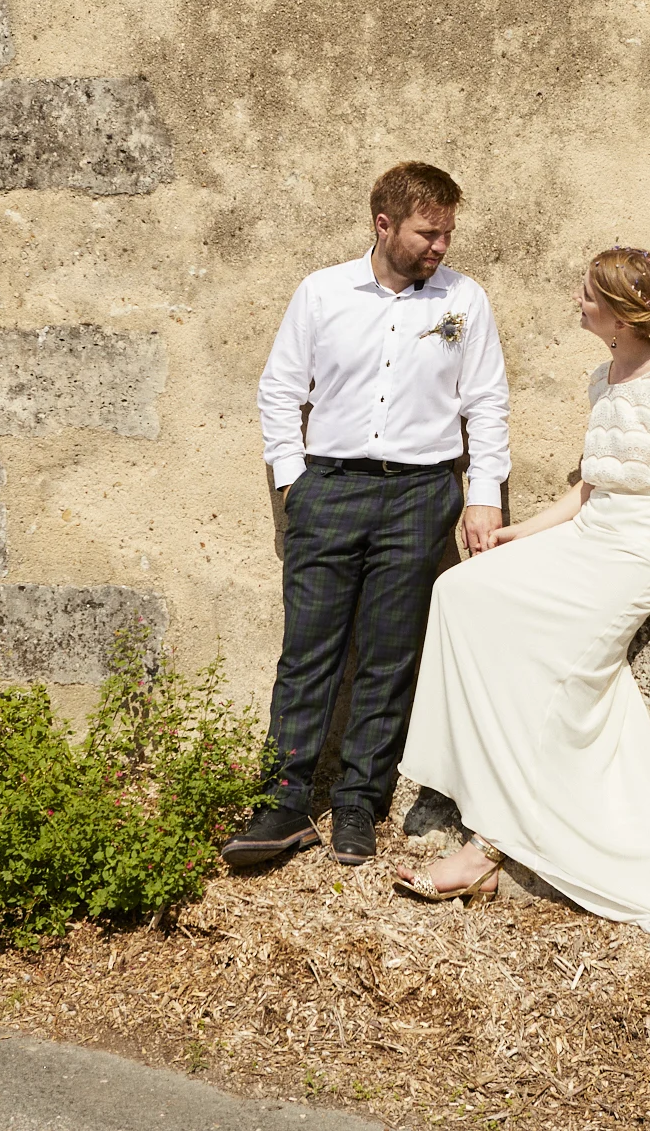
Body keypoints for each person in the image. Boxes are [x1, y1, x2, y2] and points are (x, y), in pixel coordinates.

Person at [393, 246, 650, 932]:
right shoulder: (604, 376)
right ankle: (468, 778)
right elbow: (587, 487)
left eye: (589, 294)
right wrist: (524, 533)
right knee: (460, 592)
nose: (578, 300)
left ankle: (486, 845)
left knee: (555, 669)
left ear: (624, 314)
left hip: (638, 550)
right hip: (589, 532)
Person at [224, 162, 511, 870]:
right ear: (383, 224)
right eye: (427, 232)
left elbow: (487, 402)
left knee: (388, 654)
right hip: (330, 489)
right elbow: (281, 388)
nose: (440, 245)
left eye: (447, 232)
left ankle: (358, 801)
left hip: (420, 495)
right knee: (309, 650)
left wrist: (484, 492)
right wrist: (295, 483)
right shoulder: (322, 292)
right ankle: (285, 799)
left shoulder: (465, 301)